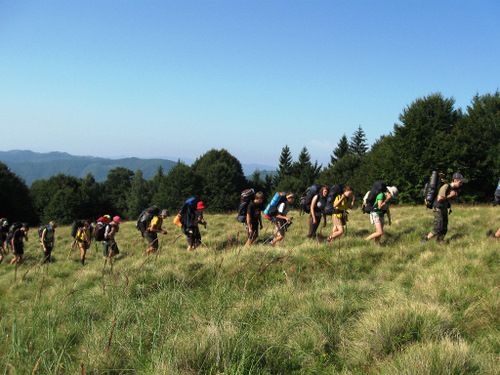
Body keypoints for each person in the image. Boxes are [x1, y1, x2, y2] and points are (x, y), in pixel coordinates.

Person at [423, 173, 465, 243]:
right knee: (437, 228)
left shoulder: (453, 189)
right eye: (460, 182)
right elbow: (439, 198)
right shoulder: (446, 186)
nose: (461, 184)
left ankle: (440, 241)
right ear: (455, 180)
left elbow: (447, 199)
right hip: (438, 208)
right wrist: (450, 196)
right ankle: (425, 240)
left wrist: (452, 198)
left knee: (444, 227)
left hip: (443, 208)